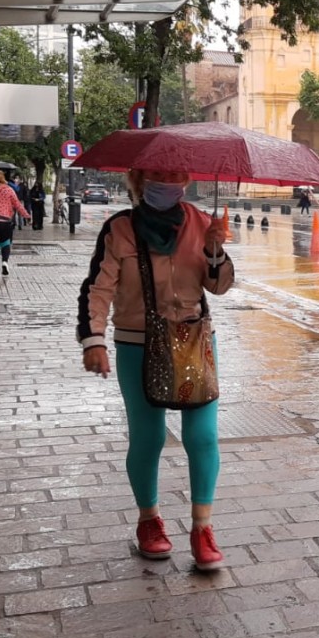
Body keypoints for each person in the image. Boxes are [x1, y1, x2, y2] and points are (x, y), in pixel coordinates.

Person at [77, 169, 235, 571]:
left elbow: (218, 287)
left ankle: (202, 528)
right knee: (148, 437)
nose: (169, 181)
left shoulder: (201, 222)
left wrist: (215, 251)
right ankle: (149, 519)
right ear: (139, 181)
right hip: (138, 344)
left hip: (193, 341)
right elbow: (98, 287)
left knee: (203, 436)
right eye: (158, 175)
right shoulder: (121, 229)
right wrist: (93, 339)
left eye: (176, 174)